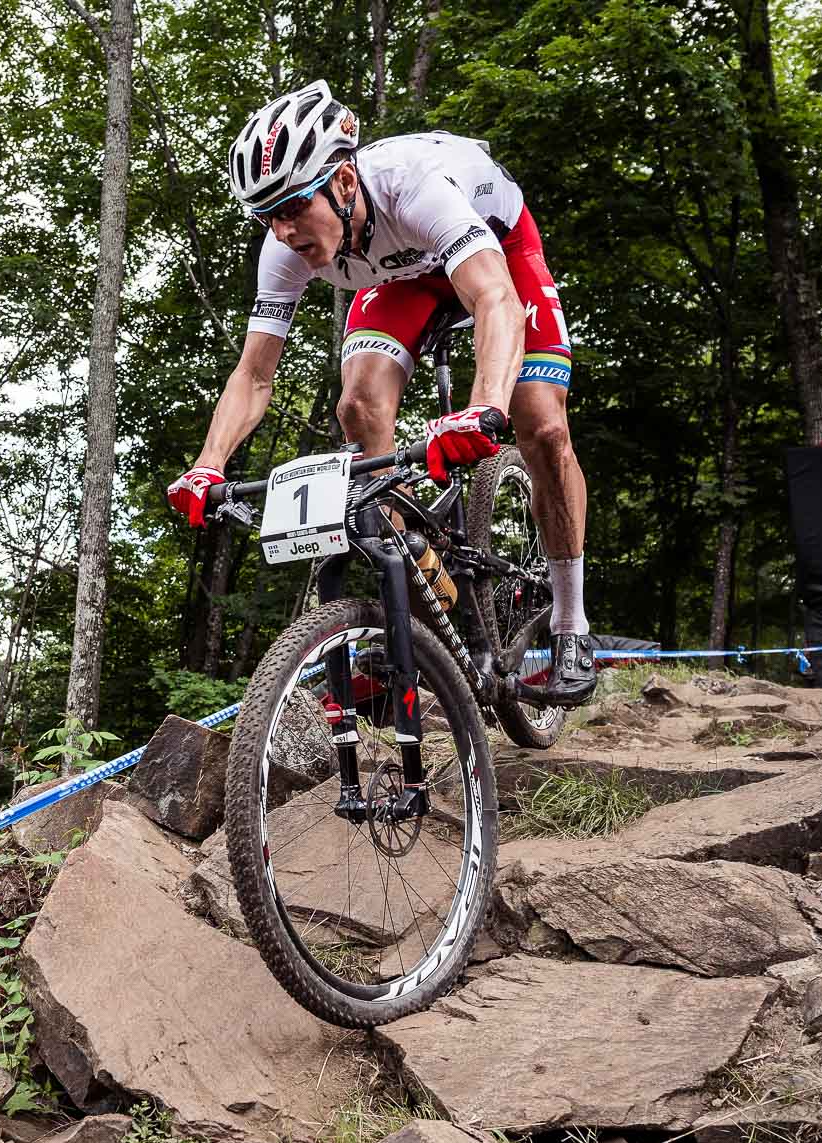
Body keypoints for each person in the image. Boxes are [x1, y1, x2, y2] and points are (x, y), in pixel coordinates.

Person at [166, 81, 597, 704]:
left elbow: (493, 299)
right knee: (358, 404)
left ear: (343, 183)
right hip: (406, 278)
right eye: (267, 216)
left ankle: (568, 623)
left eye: (293, 207)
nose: (284, 231)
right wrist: (208, 467)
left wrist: (485, 410)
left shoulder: (414, 186)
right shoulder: (286, 248)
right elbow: (255, 373)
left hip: (495, 250)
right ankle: (424, 604)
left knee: (542, 425)